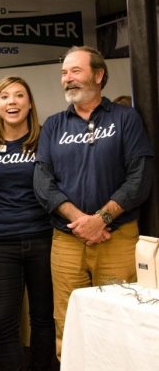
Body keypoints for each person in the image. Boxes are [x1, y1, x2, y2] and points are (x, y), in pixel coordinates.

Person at [33, 45, 154, 359]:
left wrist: (102, 219)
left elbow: (139, 177)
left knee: (120, 320)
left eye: (75, 71)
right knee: (69, 321)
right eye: (64, 73)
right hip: (67, 240)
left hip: (117, 238)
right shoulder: (54, 125)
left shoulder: (126, 119)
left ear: (99, 75)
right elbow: (43, 183)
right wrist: (82, 221)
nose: (67, 79)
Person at [0, 76, 54, 371]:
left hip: (43, 238)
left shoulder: (45, 138)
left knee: (43, 318)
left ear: (30, 102)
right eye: (5, 97)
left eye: (19, 95)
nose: (12, 102)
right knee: (4, 323)